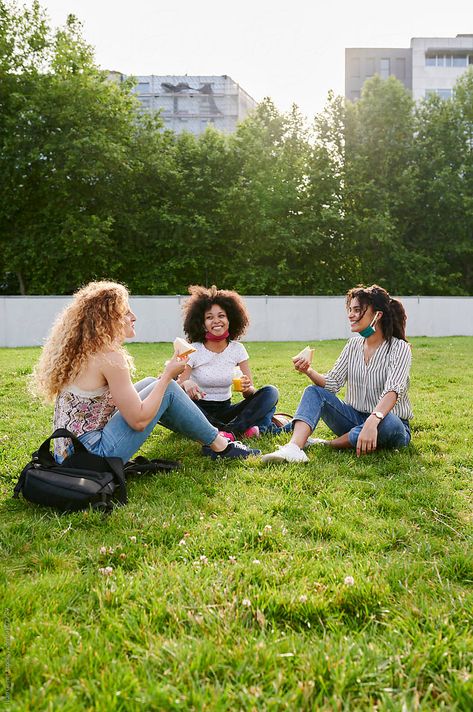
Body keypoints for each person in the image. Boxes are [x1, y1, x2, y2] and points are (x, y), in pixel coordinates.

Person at [31, 281, 260, 463]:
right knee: (166, 387)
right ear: (108, 319)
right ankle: (220, 445)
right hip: (92, 456)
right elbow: (139, 421)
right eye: (126, 313)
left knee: (152, 382)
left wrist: (162, 379)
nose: (133, 317)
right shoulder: (111, 358)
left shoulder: (85, 350)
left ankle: (211, 436)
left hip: (67, 453)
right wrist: (168, 377)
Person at [262, 284, 413, 463]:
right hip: (354, 418)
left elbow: (393, 391)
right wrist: (308, 370)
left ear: (377, 315)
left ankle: (328, 444)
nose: (350, 315)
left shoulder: (399, 347)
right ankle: (294, 448)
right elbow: (332, 383)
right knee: (313, 391)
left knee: (390, 423)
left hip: (388, 423)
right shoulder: (353, 345)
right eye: (350, 310)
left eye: (357, 310)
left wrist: (372, 422)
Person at [178, 285, 280, 439]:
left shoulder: (238, 349)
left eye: (221, 316)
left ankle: (230, 431)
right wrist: (186, 383)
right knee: (267, 411)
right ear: (202, 323)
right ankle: (249, 429)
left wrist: (247, 388)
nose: (216, 321)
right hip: (199, 410)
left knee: (270, 393)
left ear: (230, 319)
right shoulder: (193, 349)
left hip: (226, 410)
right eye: (209, 317)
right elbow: (176, 388)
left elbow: (250, 393)